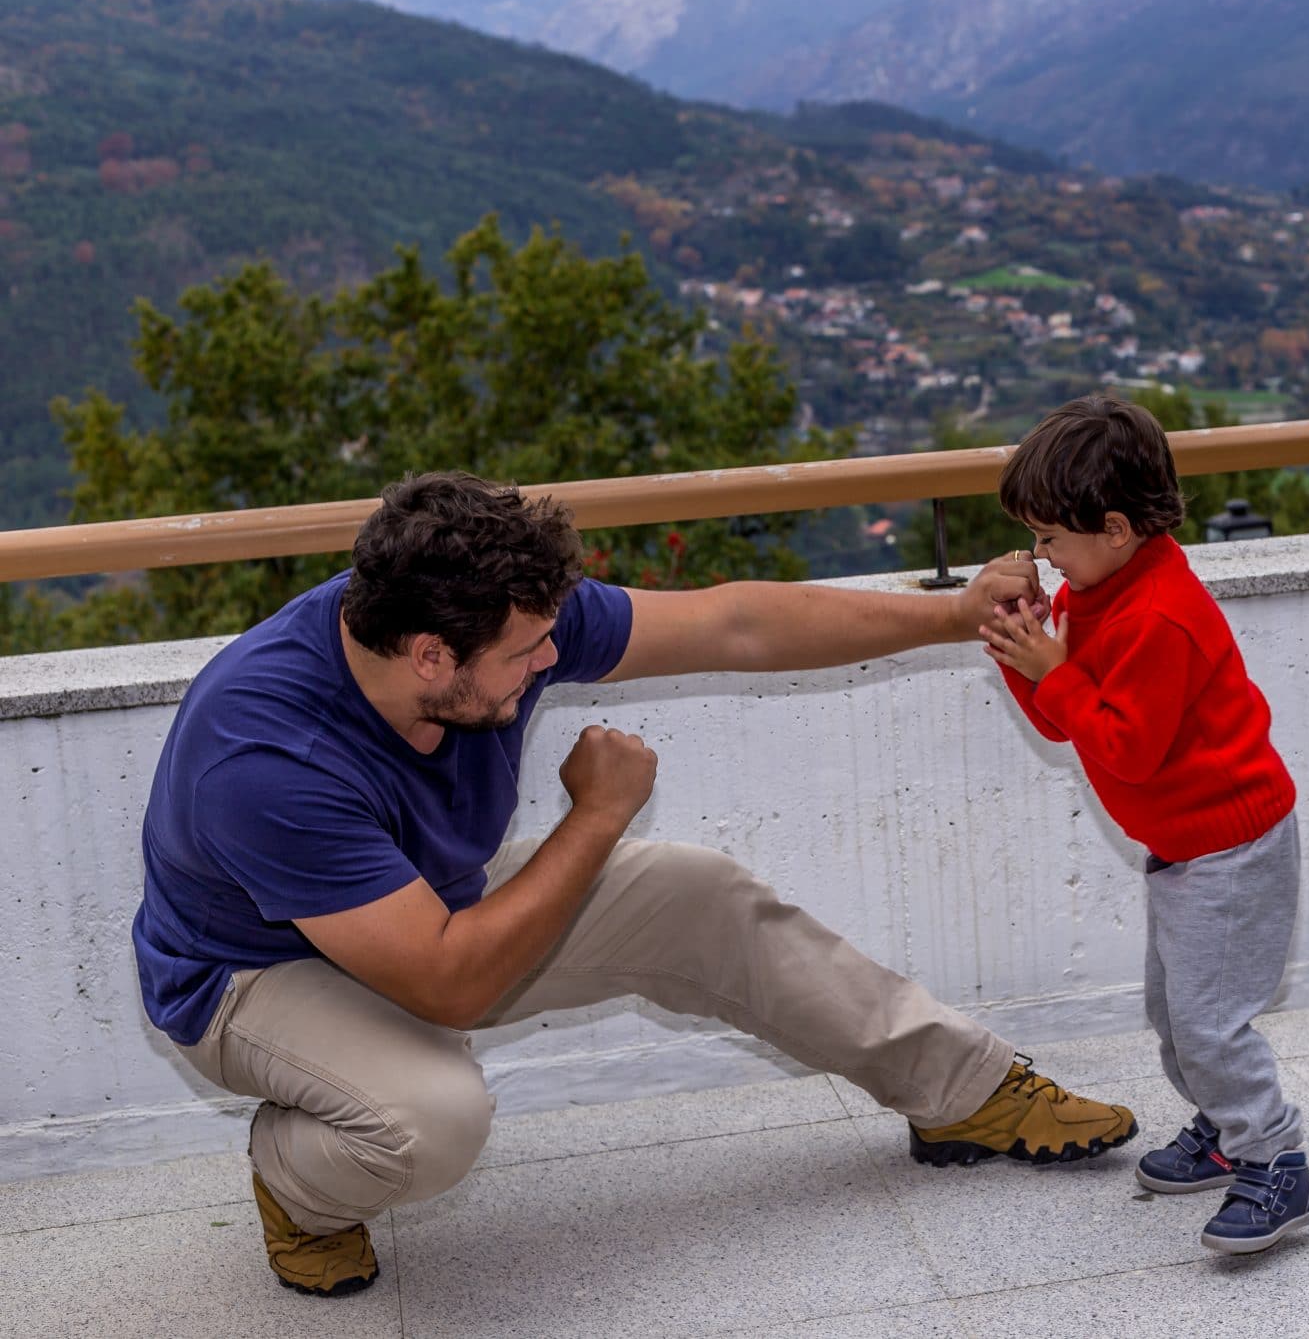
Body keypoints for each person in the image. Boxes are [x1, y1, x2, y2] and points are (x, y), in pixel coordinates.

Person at [133, 470, 1137, 1298]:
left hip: (423, 910)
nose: (547, 665)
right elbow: (451, 989)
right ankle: (295, 1182)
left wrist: (951, 616)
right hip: (254, 977)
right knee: (429, 1120)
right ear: (430, 654)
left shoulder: (483, 621)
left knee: (695, 894)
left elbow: (735, 625)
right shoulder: (265, 756)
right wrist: (598, 815)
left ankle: (961, 1093)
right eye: (526, 659)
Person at [978, 394, 1309, 1255]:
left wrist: (1052, 667)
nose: (1041, 557)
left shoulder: (1159, 612)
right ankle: (1223, 1124)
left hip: (1233, 846)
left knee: (1210, 1022)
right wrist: (1028, 653)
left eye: (1050, 537)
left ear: (1117, 527)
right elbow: (1068, 721)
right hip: (1184, 845)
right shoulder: (1102, 589)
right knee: (1175, 1015)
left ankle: (1277, 1161)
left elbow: (1126, 749)